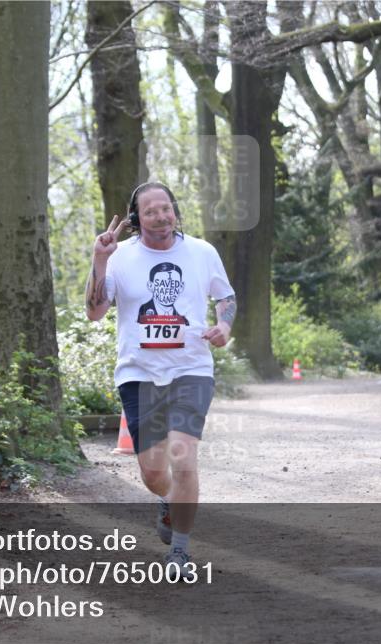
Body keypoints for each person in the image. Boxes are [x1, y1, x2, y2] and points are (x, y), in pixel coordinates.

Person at [85, 181, 236, 579]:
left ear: (174, 211)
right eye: (151, 210)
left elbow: (226, 297)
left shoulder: (202, 252)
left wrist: (224, 324)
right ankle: (168, 500)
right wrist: (99, 260)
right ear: (137, 219)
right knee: (153, 473)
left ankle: (180, 553)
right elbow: (96, 312)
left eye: (166, 208)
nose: (161, 216)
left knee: (184, 456)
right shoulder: (121, 258)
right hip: (138, 375)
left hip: (191, 370)